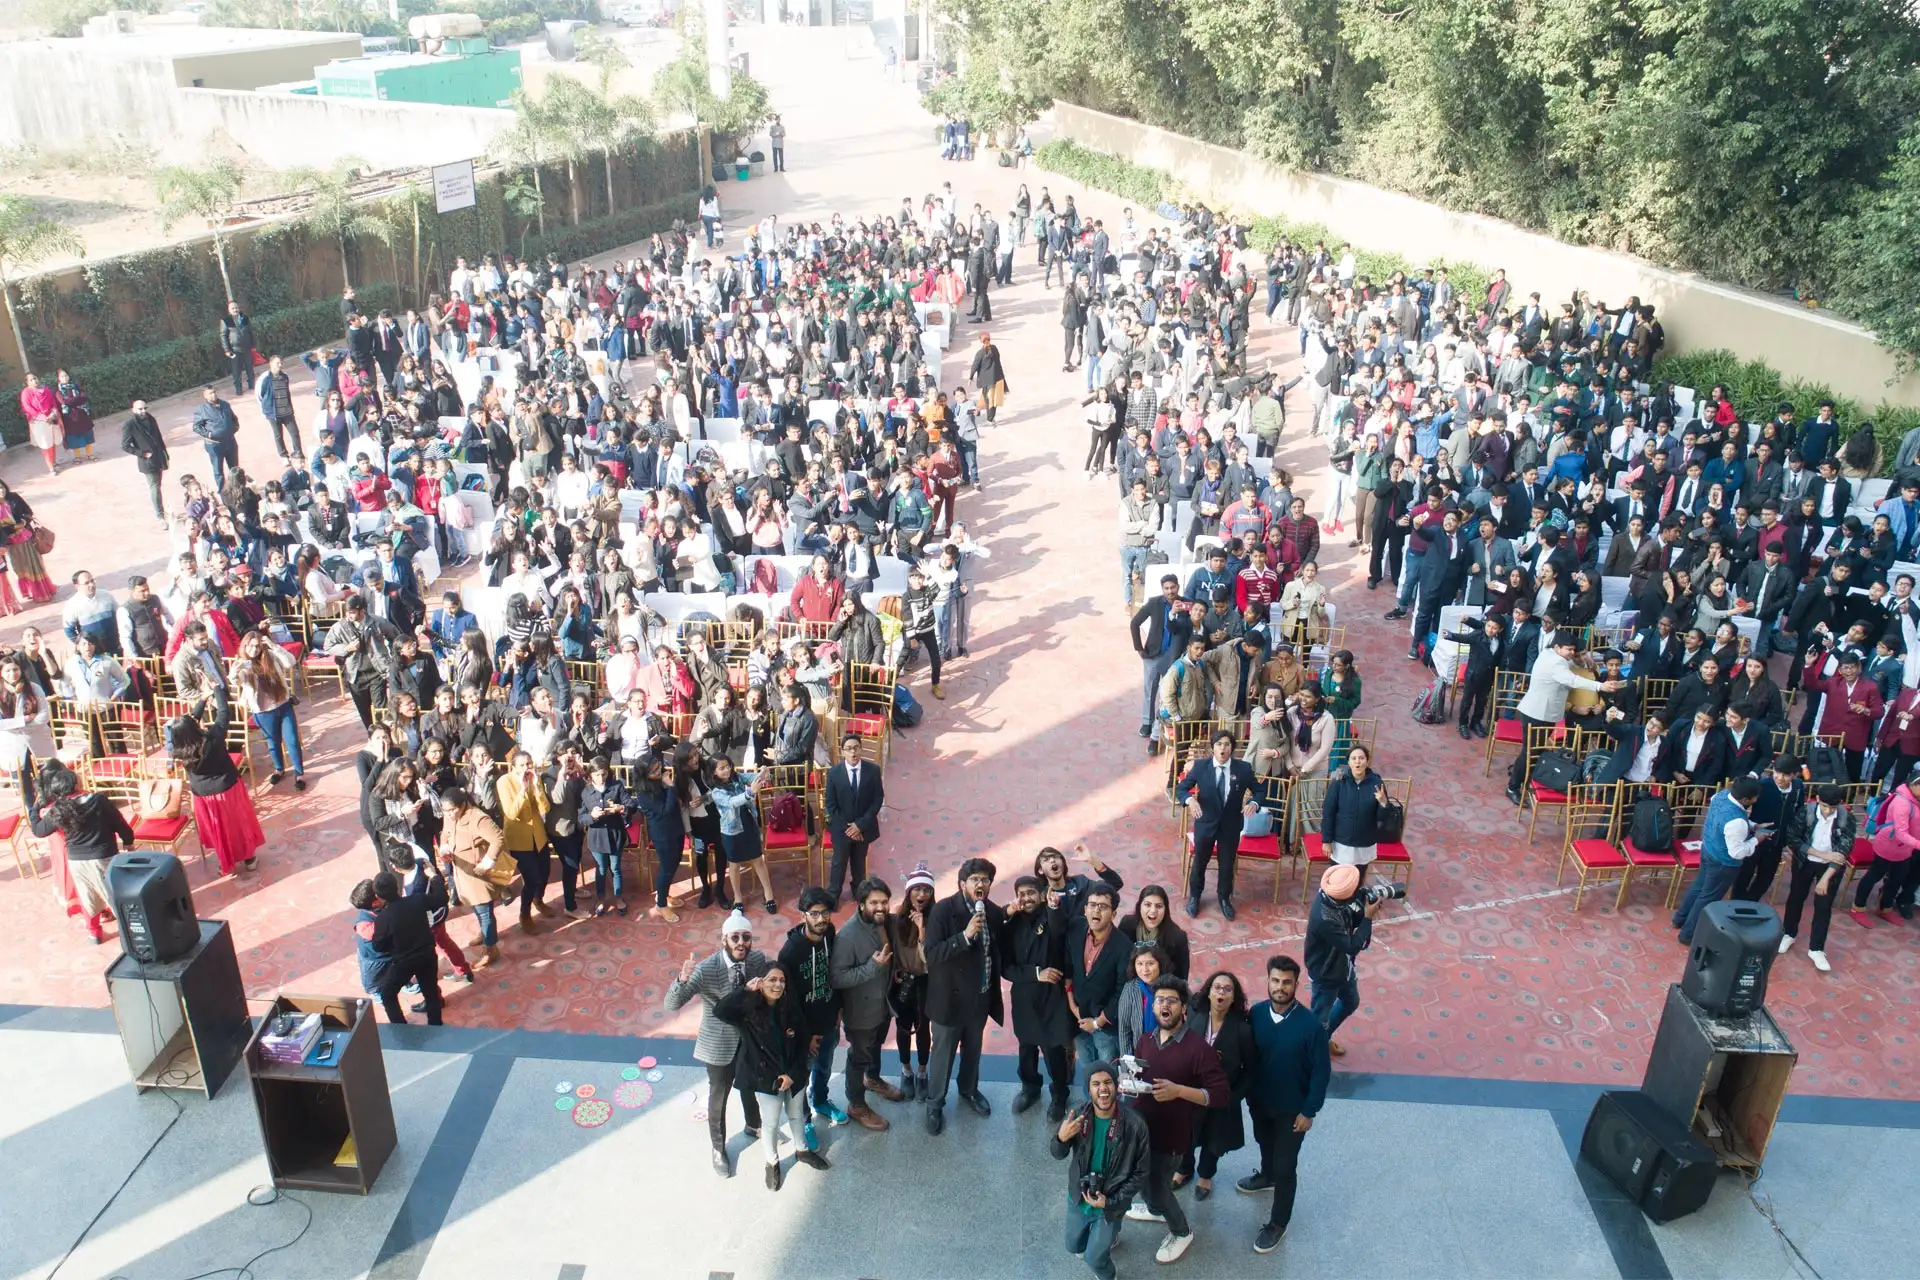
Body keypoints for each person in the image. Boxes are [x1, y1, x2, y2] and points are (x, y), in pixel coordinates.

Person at [1120, 976, 1229, 1265]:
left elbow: (1219, 1095)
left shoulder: (1198, 1050)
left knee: (1158, 1188)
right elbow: (1142, 1079)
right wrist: (1128, 1084)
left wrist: (1179, 1091)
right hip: (1141, 1132)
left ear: (1183, 1008)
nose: (1164, 1005)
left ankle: (1181, 1230)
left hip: (1172, 1138)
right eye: (1159, 1000)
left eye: (1171, 1000)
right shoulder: (1146, 1040)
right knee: (1143, 1178)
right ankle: (1155, 1209)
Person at [1238, 954, 1332, 1254]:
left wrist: (1309, 1111)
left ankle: (1278, 1223)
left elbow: (1321, 1072)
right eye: (1275, 981)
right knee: (1263, 1142)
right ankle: (1266, 1176)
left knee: (1286, 1166)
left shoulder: (1311, 1027)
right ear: (1268, 981)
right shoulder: (1256, 1014)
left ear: (1296, 985)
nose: (1280, 987)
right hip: (1261, 1102)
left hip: (1293, 1111)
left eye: (1286, 982)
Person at [666, 909, 770, 1177]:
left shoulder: (757, 960)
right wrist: (682, 979)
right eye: (734, 937)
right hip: (718, 1043)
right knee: (719, 1097)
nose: (741, 942)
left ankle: (753, 1124)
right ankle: (717, 1148)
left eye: (746, 937)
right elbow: (672, 1004)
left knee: (750, 1083)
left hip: (748, 1039)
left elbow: (777, 976)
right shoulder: (708, 969)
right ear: (723, 940)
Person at [713, 962, 831, 1190]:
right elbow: (720, 1011)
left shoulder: (791, 1008)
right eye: (772, 980)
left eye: (781, 980)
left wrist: (792, 1075)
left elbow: (802, 1045)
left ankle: (802, 1150)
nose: (777, 984)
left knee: (797, 1115)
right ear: (761, 982)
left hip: (793, 1076)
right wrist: (745, 991)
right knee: (771, 1122)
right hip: (765, 1079)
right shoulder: (747, 1010)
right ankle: (772, 1162)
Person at [922, 856, 1007, 1135]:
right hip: (949, 1000)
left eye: (985, 879)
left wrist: (1013, 910)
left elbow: (1004, 922)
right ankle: (935, 1104)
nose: (981, 884)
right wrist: (965, 936)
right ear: (962, 884)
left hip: (979, 998)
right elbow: (932, 955)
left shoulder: (991, 912)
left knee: (973, 1051)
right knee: (943, 1055)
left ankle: (969, 1090)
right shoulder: (943, 912)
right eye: (975, 879)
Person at [1050, 1060, 1151, 1280]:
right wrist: (1060, 1138)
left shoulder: (1135, 1124)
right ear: (1089, 1089)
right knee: (1072, 1246)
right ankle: (1108, 1238)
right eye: (1096, 1083)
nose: (1103, 1088)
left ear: (1116, 1086)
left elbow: (1141, 1173)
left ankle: (1108, 1274)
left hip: (1110, 1203)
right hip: (1079, 1197)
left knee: (1094, 1258)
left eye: (1108, 1082)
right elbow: (1057, 1154)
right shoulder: (1077, 1115)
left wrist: (1112, 1202)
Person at [1505, 633, 1625, 804]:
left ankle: (1524, 777)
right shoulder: (1556, 662)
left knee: (1535, 751)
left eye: (1573, 650)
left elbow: (1575, 661)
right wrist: (1601, 685)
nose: (1571, 653)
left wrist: (1587, 659)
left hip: (1544, 713)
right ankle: (1513, 786)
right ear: (1557, 648)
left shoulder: (1550, 653)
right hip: (1536, 714)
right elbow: (1573, 680)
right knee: (1530, 752)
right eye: (1569, 649)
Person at [26, 759, 134, 944]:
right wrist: (128, 841)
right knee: (114, 895)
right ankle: (130, 933)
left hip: (76, 861)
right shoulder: (98, 800)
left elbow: (39, 830)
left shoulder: (58, 810)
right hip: (103, 856)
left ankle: (94, 933)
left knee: (87, 896)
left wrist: (34, 808)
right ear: (75, 783)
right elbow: (119, 823)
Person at [829, 874, 907, 1130]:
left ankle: (872, 1079)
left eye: (884, 901)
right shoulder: (848, 936)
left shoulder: (884, 922)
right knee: (858, 1057)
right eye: (874, 903)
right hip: (860, 1011)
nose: (881, 907)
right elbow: (838, 977)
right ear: (861, 904)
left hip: (883, 1004)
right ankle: (856, 1104)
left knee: (875, 1047)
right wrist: (872, 967)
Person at [166, 686, 264, 877]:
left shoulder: (177, 750)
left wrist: (202, 699)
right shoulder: (212, 739)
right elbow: (224, 712)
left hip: (203, 796)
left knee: (218, 829)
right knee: (237, 824)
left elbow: (189, 723)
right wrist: (217, 690)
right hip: (228, 789)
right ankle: (249, 859)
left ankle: (226, 863)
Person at [780, 886, 849, 1133]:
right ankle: (804, 1121)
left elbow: (836, 971)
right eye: (815, 914)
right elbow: (788, 1001)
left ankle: (820, 1101)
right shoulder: (790, 952)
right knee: (801, 1076)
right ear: (803, 916)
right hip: (805, 1031)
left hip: (829, 1021)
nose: (821, 919)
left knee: (824, 1067)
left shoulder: (829, 933)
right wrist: (804, 1035)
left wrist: (838, 1008)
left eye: (825, 913)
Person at [1007, 873, 1076, 1121]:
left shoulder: (1052, 916)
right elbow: (1006, 968)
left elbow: (1059, 931)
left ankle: (1059, 1093)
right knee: (1026, 1046)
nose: (1026, 898)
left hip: (1052, 997)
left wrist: (1054, 906)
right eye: (1021, 894)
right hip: (1024, 995)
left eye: (1031, 893)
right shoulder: (1012, 924)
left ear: (1041, 894)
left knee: (1053, 1048)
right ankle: (1030, 1087)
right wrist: (1036, 973)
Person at [1179, 971, 1253, 1199]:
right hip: (1191, 1091)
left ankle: (1205, 1175)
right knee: (1186, 1134)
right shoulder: (1194, 1016)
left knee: (1214, 1139)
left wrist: (1233, 1097)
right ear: (1208, 992)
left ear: (1234, 998)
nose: (1221, 992)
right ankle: (1184, 1169)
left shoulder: (1242, 1029)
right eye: (1217, 987)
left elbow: (1250, 1070)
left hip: (1221, 1096)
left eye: (1227, 989)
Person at [1174, 729, 1258, 919]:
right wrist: (1190, 800)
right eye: (1219, 744)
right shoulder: (1201, 767)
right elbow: (1181, 789)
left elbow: (1259, 790)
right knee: (1200, 862)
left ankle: (1224, 898)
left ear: (1232, 748)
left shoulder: (1243, 769)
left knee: (1227, 864)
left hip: (1230, 825)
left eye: (1227, 744)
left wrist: (1253, 802)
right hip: (1206, 823)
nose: (1223, 748)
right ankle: (1195, 896)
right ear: (1213, 747)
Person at [1672, 777, 1766, 944]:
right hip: (1723, 864)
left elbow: (1727, 826)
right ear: (1745, 800)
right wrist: (1756, 839)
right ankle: (1688, 934)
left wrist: (1752, 826)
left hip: (1708, 850)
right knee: (1707, 898)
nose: (1756, 800)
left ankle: (1679, 918)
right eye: (1754, 798)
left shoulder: (1721, 796)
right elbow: (1737, 852)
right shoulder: (1736, 821)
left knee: (1698, 887)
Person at [356, 867, 447, 1026]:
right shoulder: (417, 900)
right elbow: (441, 898)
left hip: (404, 962)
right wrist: (434, 877)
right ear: (397, 887)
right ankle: (436, 1025)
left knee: (387, 994)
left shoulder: (383, 918)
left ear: (378, 896)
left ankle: (401, 1029)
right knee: (431, 992)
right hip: (427, 955)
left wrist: (393, 946)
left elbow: (378, 946)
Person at [1778, 783, 1854, 972]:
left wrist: (1826, 877)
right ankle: (1788, 933)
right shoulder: (1806, 812)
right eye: (1825, 806)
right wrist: (1823, 855)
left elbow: (1843, 850)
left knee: (1823, 906)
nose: (1828, 811)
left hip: (1830, 869)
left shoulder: (1847, 818)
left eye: (1833, 807)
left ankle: (1817, 948)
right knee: (1796, 898)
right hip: (1805, 862)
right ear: (1818, 799)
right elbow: (1793, 839)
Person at [1305, 864, 1379, 1056]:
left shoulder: (1334, 899)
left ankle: (1323, 1038)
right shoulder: (1324, 918)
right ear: (1346, 894)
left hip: (1343, 967)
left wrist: (1362, 909)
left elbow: (1351, 919)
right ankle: (1312, 1051)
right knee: (1319, 1019)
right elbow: (1352, 945)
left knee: (1350, 1001)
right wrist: (1368, 918)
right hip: (1326, 975)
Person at [439, 787, 510, 966]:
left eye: (452, 809)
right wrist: (444, 846)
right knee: (477, 907)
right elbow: (445, 834)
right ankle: (485, 934)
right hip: (462, 872)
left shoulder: (478, 819)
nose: (448, 814)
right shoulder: (450, 817)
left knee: (485, 910)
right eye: (445, 810)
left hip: (479, 874)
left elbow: (498, 839)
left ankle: (490, 948)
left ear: (463, 805)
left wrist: (488, 861)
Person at [229, 626, 306, 790]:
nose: (254, 649)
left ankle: (299, 774)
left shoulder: (270, 655)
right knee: (273, 742)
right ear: (244, 646)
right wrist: (233, 674)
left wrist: (273, 646)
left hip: (283, 704)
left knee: (292, 740)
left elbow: (290, 662)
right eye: (250, 646)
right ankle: (279, 770)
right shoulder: (242, 663)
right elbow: (237, 681)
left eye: (257, 646)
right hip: (262, 710)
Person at [888, 861, 937, 1099]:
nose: (922, 894)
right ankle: (906, 1070)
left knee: (924, 1028)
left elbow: (929, 957)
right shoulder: (896, 919)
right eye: (917, 889)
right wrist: (895, 970)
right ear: (909, 892)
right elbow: (892, 949)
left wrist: (922, 930)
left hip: (926, 981)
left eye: (927, 890)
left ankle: (922, 1072)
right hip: (903, 980)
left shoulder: (936, 919)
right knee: (903, 1027)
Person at [496, 748, 553, 935]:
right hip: (519, 839)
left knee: (545, 872)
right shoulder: (504, 782)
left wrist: (536, 788)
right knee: (531, 878)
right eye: (522, 765)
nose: (526, 768)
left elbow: (545, 807)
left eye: (528, 764)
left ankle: (539, 899)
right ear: (513, 767)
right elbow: (511, 813)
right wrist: (522, 789)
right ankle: (524, 913)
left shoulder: (536, 779)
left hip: (538, 835)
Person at [1854, 768, 1920, 927]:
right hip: (1889, 846)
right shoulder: (1902, 803)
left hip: (1905, 849)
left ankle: (1885, 908)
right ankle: (1858, 908)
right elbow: (1901, 833)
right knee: (1873, 876)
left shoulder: (1915, 799)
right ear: (1914, 785)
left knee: (1897, 879)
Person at [823, 732, 883, 906]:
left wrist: (860, 825)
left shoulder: (873, 771)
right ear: (842, 752)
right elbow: (831, 804)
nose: (853, 752)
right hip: (842, 829)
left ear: (861, 749)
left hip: (863, 828)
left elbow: (877, 799)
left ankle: (859, 892)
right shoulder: (834, 774)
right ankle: (833, 895)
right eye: (848, 749)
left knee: (859, 862)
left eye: (856, 748)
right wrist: (849, 828)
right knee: (839, 862)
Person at [1320, 743, 1388, 868]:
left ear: (1367, 762)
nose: (1358, 762)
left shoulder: (1377, 783)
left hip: (1364, 842)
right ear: (1349, 762)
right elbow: (1328, 813)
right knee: (1338, 882)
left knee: (1357, 881)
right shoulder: (1338, 783)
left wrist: (1383, 803)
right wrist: (1326, 840)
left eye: (1362, 758)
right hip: (1341, 842)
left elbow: (1382, 818)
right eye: (1354, 758)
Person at [1034, 840, 1124, 922]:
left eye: (1055, 857)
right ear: (1040, 870)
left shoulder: (1081, 883)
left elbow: (1115, 883)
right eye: (1046, 860)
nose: (1052, 860)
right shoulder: (1041, 898)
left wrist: (1092, 860)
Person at [1117, 884, 1191, 980]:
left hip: (1160, 986)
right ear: (1139, 906)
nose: (1153, 911)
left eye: (1159, 906)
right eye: (1147, 905)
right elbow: (1119, 957)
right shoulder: (1127, 924)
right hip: (1130, 980)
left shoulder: (1177, 937)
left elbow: (1181, 977)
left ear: (1166, 910)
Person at [120, 399, 171, 522]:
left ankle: (161, 512)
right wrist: (142, 454)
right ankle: (160, 514)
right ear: (134, 410)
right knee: (154, 487)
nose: (143, 411)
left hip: (158, 457)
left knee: (157, 485)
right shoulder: (130, 424)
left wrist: (166, 455)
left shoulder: (151, 419)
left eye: (144, 408)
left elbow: (159, 438)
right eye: (140, 409)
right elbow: (125, 445)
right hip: (147, 462)